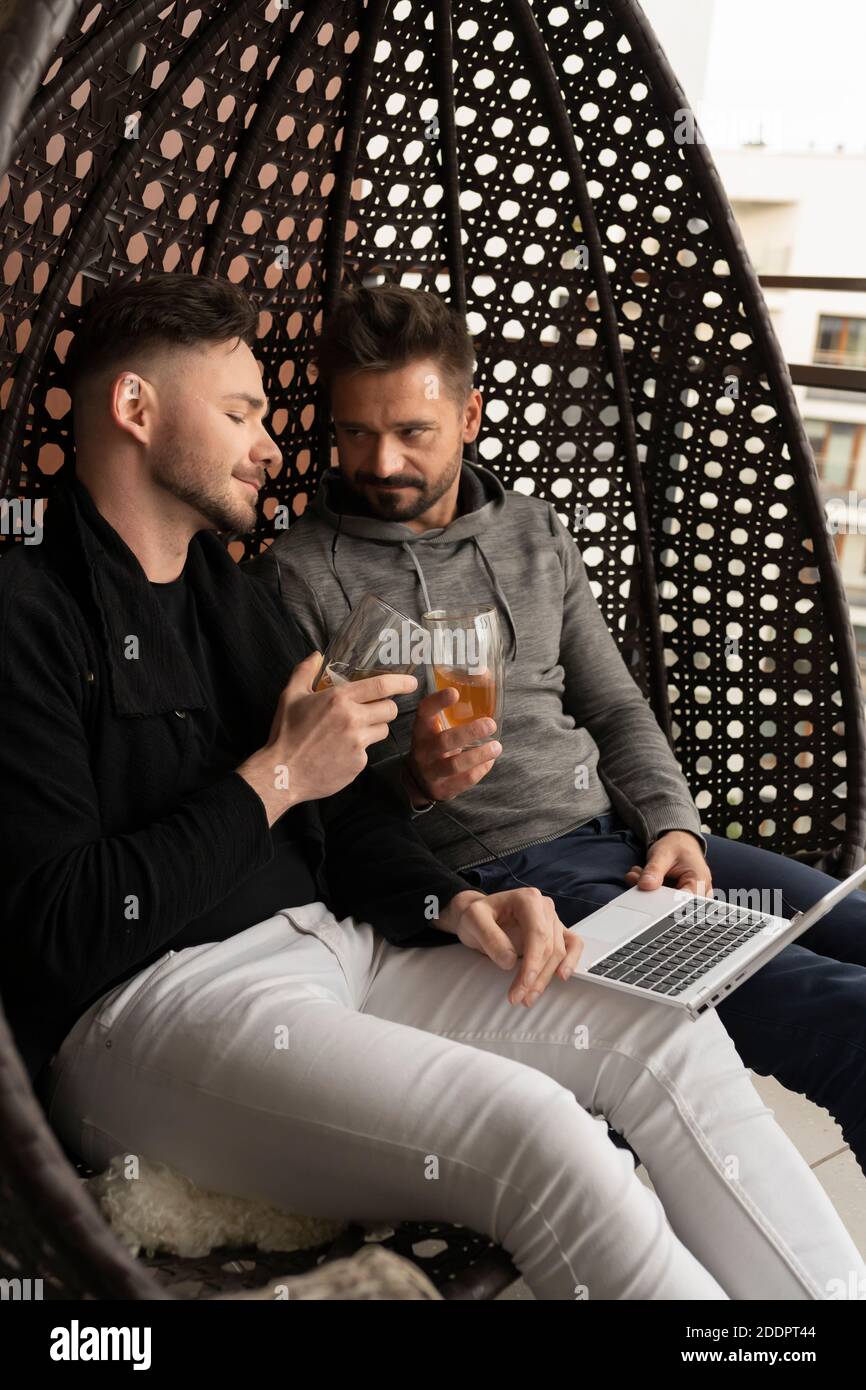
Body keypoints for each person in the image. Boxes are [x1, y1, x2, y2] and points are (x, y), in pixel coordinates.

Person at [3, 273, 864, 1301]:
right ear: (136, 409)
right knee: (538, 1130)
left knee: (664, 1035)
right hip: (150, 1008)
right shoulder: (28, 611)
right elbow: (57, 928)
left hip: (343, 943)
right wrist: (274, 776)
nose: (276, 448)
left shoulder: (226, 600)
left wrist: (452, 901)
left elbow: (345, 814)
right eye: (239, 413)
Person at [265, 282, 866, 1186]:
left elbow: (616, 706)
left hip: (625, 845)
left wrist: (673, 826)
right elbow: (320, 808)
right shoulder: (299, 573)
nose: (378, 460)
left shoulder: (535, 532)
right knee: (844, 1014)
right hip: (511, 879)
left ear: (469, 415)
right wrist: (416, 784)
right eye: (354, 432)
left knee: (855, 927)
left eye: (411, 433)